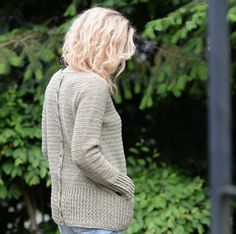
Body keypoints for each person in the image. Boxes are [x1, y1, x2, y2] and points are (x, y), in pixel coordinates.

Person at [41, 6, 137, 234]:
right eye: (122, 47)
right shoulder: (93, 85)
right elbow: (85, 153)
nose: (124, 55)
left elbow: (48, 147)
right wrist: (124, 184)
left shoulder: (58, 79)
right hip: (98, 216)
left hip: (66, 215)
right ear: (106, 45)